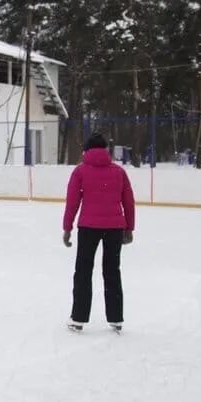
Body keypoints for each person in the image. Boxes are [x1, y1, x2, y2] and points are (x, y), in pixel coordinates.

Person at [62, 133, 135, 333]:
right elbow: (128, 202)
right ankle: (116, 318)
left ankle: (78, 318)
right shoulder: (118, 172)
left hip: (88, 227)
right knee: (112, 271)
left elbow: (72, 202)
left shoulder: (80, 171)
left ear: (86, 150)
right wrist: (129, 228)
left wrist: (67, 228)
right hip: (114, 228)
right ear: (106, 150)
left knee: (83, 272)